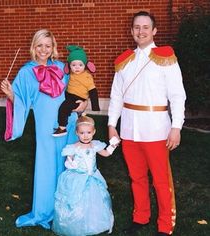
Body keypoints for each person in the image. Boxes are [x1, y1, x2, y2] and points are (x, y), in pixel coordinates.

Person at [108, 11, 186, 236]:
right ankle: (141, 217)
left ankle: (165, 225)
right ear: (132, 31)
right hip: (130, 129)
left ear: (154, 31)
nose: (140, 31)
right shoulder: (124, 61)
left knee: (161, 181)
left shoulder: (166, 58)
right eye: (136, 27)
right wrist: (112, 124)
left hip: (156, 129)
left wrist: (176, 127)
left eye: (145, 27)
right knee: (137, 177)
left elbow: (177, 95)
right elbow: (116, 96)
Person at [0, 29, 87, 229]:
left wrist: (83, 104)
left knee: (69, 164)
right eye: (40, 45)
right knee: (47, 167)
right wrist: (10, 93)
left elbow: (77, 88)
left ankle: (69, 210)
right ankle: (44, 211)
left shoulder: (61, 68)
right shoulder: (26, 71)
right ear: (34, 47)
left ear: (53, 47)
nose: (44, 50)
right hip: (46, 126)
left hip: (68, 122)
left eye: (48, 46)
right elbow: (21, 101)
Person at [52, 115, 119, 236]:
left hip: (92, 177)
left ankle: (94, 223)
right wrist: (71, 163)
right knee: (77, 201)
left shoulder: (95, 145)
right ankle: (76, 225)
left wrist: (112, 146)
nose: (86, 135)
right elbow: (68, 160)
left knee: (94, 201)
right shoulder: (73, 147)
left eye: (88, 132)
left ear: (94, 132)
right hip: (78, 178)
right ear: (77, 133)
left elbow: (106, 153)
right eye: (82, 133)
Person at [53, 45, 100, 137]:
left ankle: (62, 128)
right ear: (69, 66)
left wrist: (95, 106)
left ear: (85, 65)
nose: (77, 68)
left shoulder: (87, 77)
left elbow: (93, 91)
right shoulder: (71, 73)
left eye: (80, 65)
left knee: (63, 108)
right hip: (69, 95)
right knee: (64, 105)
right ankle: (80, 113)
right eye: (74, 65)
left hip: (77, 98)